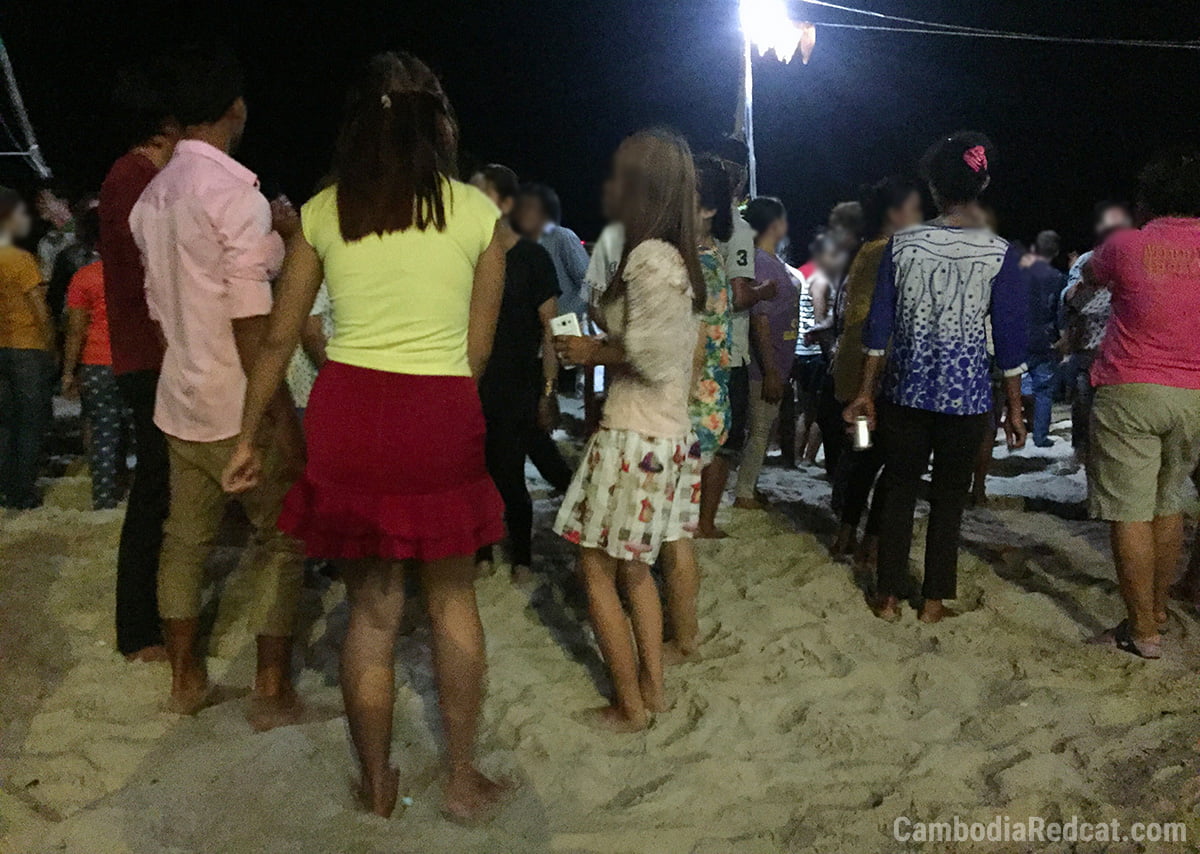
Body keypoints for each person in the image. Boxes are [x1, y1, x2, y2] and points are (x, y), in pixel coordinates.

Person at [221, 52, 509, 820]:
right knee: (452, 602)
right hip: (441, 405)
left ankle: (378, 784)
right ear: (439, 122)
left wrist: (247, 436)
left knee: (372, 613)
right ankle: (461, 776)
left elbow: (280, 340)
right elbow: (478, 351)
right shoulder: (481, 215)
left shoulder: (323, 209)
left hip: (350, 409)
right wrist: (442, 413)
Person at [130, 50, 305, 725]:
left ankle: (184, 677)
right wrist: (279, 417)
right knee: (282, 538)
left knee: (184, 538)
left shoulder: (153, 200)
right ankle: (269, 682)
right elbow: (251, 325)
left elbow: (158, 307)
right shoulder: (236, 196)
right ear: (235, 109)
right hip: (238, 404)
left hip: (180, 397)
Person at [552, 128, 705, 731]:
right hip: (663, 432)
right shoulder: (675, 257)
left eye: (621, 177)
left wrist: (589, 350)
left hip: (634, 434)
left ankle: (630, 705)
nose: (611, 187)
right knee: (636, 568)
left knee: (596, 569)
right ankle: (653, 691)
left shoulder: (648, 257)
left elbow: (649, 354)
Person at [846, 132, 1028, 623]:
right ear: (983, 181)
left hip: (904, 392)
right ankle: (932, 600)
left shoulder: (903, 246)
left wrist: (865, 391)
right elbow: (1010, 338)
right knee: (950, 499)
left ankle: (886, 595)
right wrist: (1014, 406)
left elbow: (878, 327)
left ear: (932, 185)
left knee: (900, 488)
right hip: (966, 400)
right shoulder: (999, 253)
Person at [1083, 150, 1200, 660]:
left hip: (1131, 386)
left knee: (1129, 512)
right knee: (1169, 503)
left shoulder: (1127, 244)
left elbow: (1088, 275)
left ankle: (1141, 631)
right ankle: (1156, 610)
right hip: (1194, 393)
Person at [98, 61, 181, 662]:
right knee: (155, 486)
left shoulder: (132, 176)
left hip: (149, 353)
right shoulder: (133, 178)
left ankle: (149, 618)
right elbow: (147, 274)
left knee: (162, 484)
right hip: (146, 355)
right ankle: (138, 628)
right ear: (165, 128)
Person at [470, 163, 561, 579]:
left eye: (480, 193)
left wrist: (548, 390)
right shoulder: (465, 257)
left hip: (515, 383)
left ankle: (521, 554)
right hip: (470, 379)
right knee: (474, 470)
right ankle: (482, 550)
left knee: (508, 470)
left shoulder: (532, 257)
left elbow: (551, 331)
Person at [829, 177, 923, 559]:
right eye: (914, 209)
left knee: (863, 456)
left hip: (854, 373)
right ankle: (872, 538)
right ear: (896, 213)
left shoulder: (867, 249)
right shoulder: (893, 251)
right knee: (895, 460)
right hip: (882, 373)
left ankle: (847, 531)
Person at [696, 136, 775, 539]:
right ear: (739, 176)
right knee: (723, 440)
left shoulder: (680, 224)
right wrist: (764, 292)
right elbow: (739, 296)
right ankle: (705, 522)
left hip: (688, 347)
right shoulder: (736, 228)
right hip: (728, 352)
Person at [733, 197, 799, 508]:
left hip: (776, 361)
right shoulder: (760, 261)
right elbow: (759, 319)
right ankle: (745, 492)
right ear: (775, 224)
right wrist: (771, 369)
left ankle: (750, 486)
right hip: (765, 364)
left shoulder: (771, 262)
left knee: (762, 427)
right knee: (758, 430)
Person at [1060, 202, 1133, 461]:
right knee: (1084, 405)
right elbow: (1069, 299)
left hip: (1123, 352)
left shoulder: (1134, 259)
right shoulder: (1087, 261)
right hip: (1090, 350)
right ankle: (1083, 451)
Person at [0, 188, 55, 509]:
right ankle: (23, 492)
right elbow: (40, 308)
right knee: (30, 422)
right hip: (27, 349)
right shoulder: (20, 259)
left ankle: (6, 483)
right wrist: (51, 347)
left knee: (5, 422)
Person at [61, 253, 129, 509]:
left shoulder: (84, 277)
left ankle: (104, 496)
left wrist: (69, 370)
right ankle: (136, 488)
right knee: (138, 428)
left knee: (103, 430)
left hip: (97, 362)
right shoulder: (134, 273)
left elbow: (76, 328)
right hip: (134, 361)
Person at [513, 182, 590, 319]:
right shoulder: (519, 244)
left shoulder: (562, 237)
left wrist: (566, 318)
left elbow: (589, 285)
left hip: (568, 326)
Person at [1021, 230, 1066, 448]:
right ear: (1056, 252)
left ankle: (1016, 426)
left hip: (1018, 336)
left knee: (1012, 385)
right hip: (1045, 338)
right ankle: (1040, 436)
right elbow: (1060, 312)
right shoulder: (1058, 279)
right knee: (1044, 390)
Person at [35, 185, 76, 281]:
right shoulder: (46, 242)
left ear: (63, 202)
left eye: (45, 199)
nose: (40, 202)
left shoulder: (86, 231)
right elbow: (46, 275)